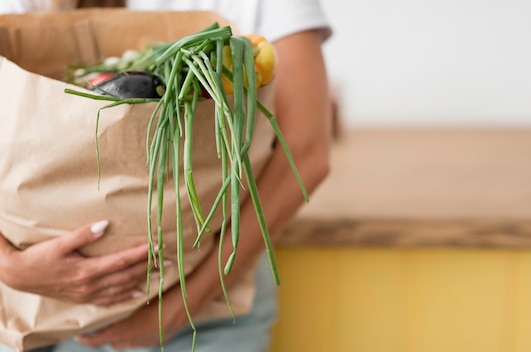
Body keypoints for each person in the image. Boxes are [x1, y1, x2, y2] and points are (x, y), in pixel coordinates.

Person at [0, 0, 332, 351]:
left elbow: (305, 151)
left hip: (202, 314)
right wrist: (7, 265)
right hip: (34, 310)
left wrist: (178, 309)